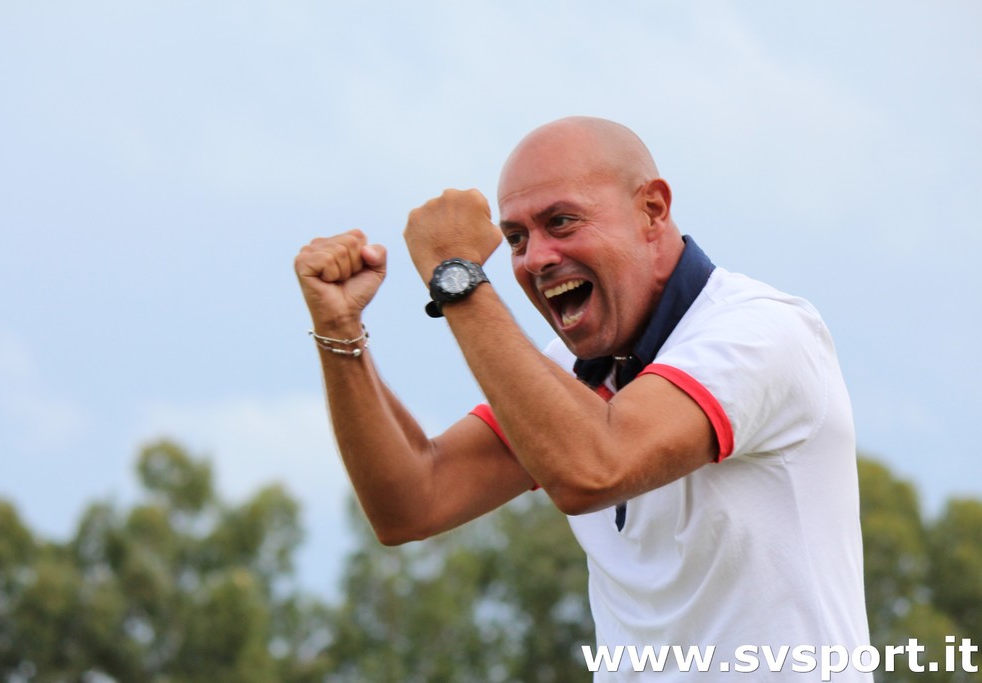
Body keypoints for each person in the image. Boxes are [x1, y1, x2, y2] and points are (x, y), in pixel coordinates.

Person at [294, 116, 872, 680]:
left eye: (562, 222)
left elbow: (596, 468)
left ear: (653, 210)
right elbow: (412, 502)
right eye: (516, 239)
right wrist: (340, 331)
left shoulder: (761, 331)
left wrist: (457, 277)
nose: (535, 258)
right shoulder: (570, 370)